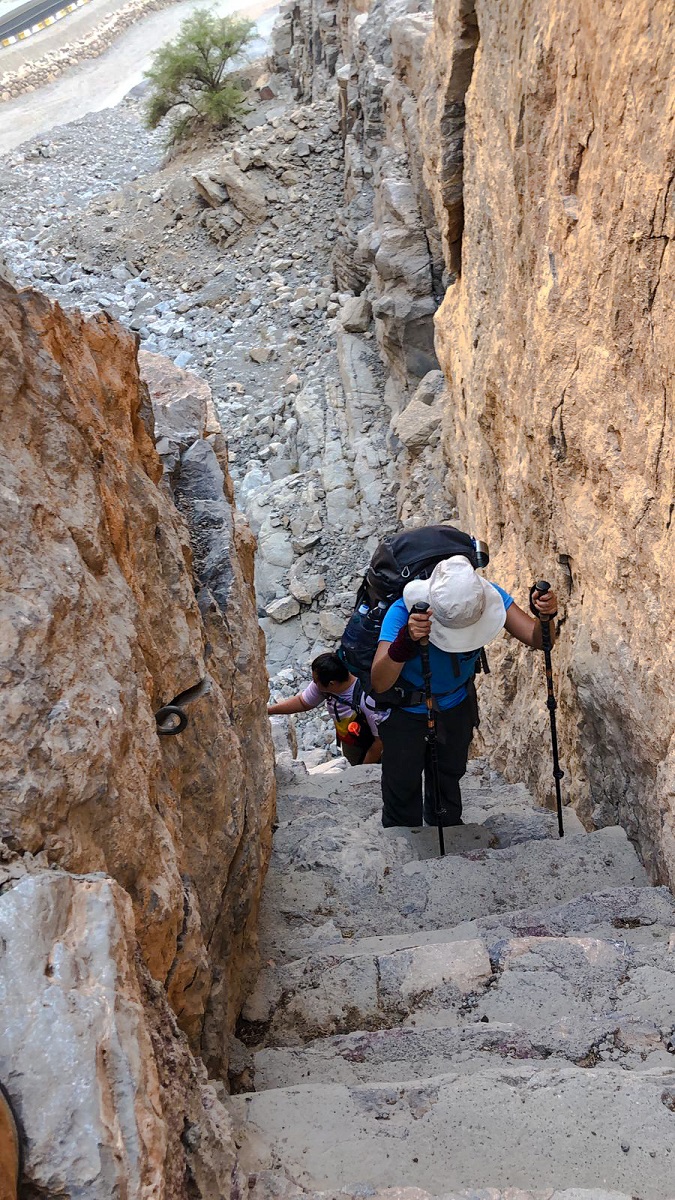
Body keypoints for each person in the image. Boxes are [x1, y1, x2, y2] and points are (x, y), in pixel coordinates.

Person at [370, 554, 559, 827]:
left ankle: (445, 829)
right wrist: (405, 641)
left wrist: (545, 616)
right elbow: (380, 682)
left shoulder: (479, 599)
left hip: (456, 707)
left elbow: (539, 640)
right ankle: (405, 840)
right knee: (402, 783)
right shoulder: (403, 613)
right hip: (407, 713)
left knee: (449, 777)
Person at [267, 652, 388, 765]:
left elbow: (379, 742)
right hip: (351, 738)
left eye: (316, 681)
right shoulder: (325, 684)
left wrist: (363, 770)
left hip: (372, 741)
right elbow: (303, 702)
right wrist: (269, 710)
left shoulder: (368, 699)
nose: (313, 684)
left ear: (332, 684)